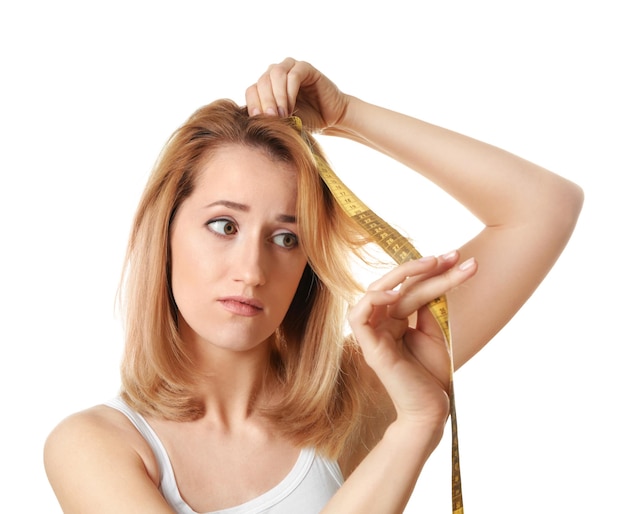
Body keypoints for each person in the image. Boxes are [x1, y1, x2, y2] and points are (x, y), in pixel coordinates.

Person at [43, 58, 583, 514]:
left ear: (309, 263)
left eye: (285, 237)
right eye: (224, 226)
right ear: (165, 234)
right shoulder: (96, 445)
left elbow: (543, 208)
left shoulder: (355, 398)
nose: (252, 269)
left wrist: (347, 116)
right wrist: (413, 428)